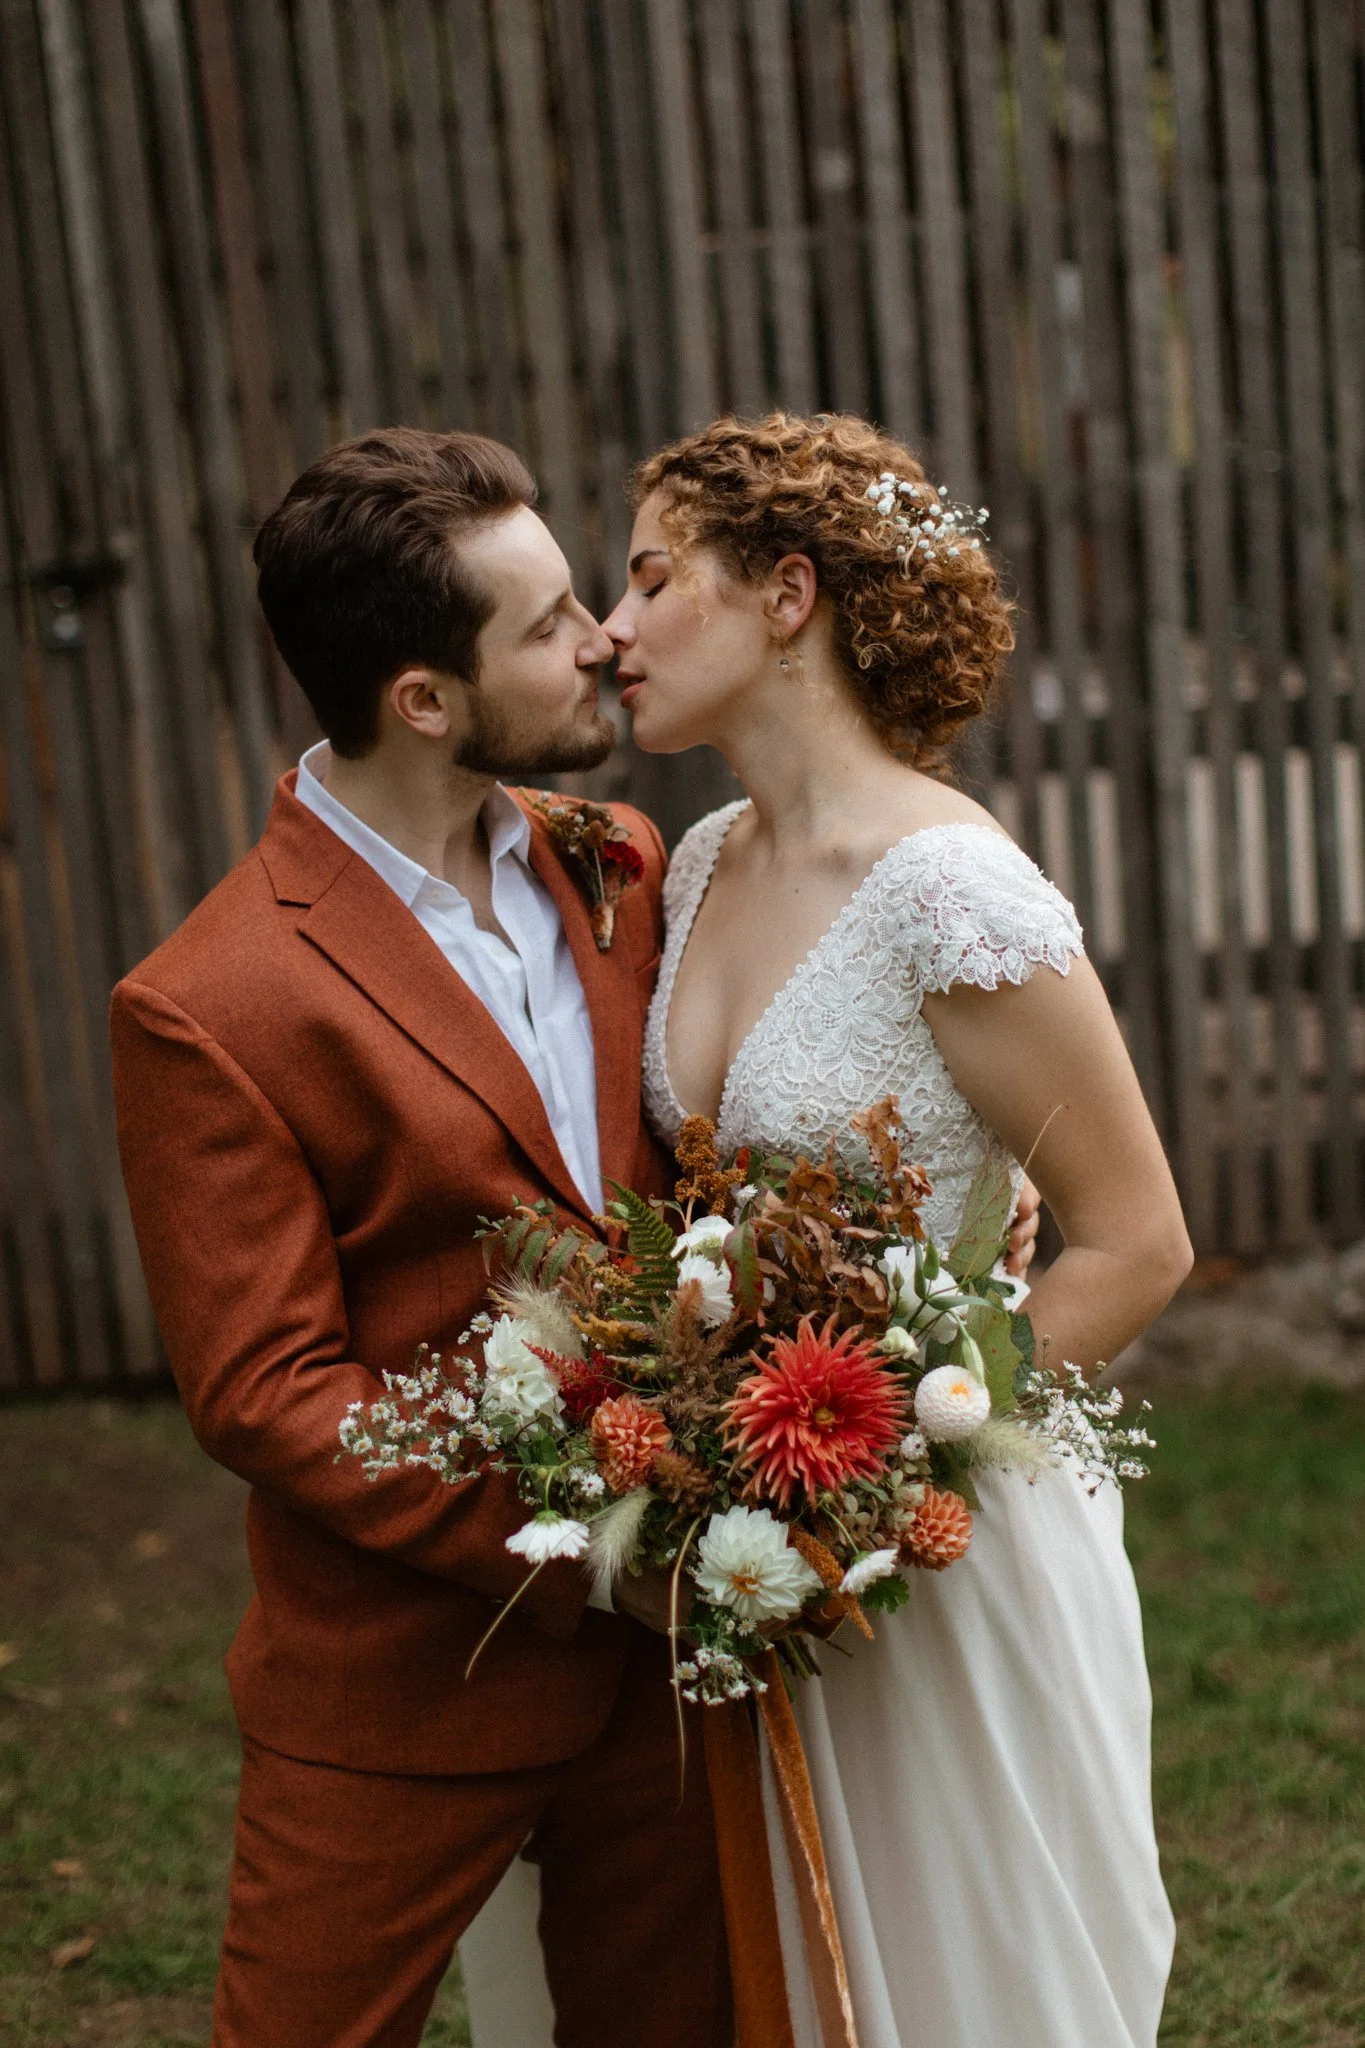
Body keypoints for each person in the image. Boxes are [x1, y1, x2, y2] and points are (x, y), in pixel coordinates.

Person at [108, 427, 735, 2048]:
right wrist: (594, 1547)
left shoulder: (623, 866)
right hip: (398, 1686)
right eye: (542, 624)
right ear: (424, 703)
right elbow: (264, 1388)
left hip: (666, 1698)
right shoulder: (212, 1004)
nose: (599, 633)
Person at [597, 410, 1192, 2048]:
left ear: (788, 596)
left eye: (653, 580)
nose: (611, 629)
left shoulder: (952, 892)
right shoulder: (707, 859)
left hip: (938, 1543)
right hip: (749, 1536)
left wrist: (874, 1477)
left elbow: (1137, 1243)